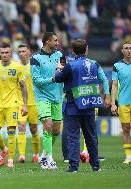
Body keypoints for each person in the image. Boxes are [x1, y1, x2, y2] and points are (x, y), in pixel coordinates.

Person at [53, 39, 110, 172]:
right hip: (89, 105)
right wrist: (106, 95)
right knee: (90, 136)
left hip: (73, 106)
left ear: (73, 51)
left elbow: (58, 79)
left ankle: (74, 167)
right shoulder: (95, 64)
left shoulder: (70, 66)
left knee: (73, 137)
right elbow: (103, 80)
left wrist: (58, 69)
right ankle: (95, 165)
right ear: (87, 49)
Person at [0, 43, 28, 168]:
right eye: (2, 53)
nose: (4, 55)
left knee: (11, 131)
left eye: (7, 52)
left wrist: (24, 105)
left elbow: (23, 86)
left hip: (12, 104)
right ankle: (4, 149)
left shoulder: (17, 66)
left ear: (10, 53)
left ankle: (10, 160)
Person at [30, 32, 63, 169]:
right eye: (55, 40)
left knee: (56, 129)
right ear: (47, 41)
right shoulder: (35, 59)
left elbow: (64, 72)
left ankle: (43, 155)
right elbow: (36, 81)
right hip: (42, 97)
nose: (57, 43)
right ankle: (49, 158)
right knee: (48, 124)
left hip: (57, 96)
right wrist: (52, 79)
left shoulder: (60, 55)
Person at [16, 44, 40, 163]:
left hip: (34, 103)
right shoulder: (15, 67)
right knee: (21, 126)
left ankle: (36, 154)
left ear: (29, 52)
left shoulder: (35, 65)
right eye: (19, 51)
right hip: (20, 103)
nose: (21, 54)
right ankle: (21, 155)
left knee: (34, 128)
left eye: (23, 51)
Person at [111, 41, 131, 164]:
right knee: (126, 129)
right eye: (126, 48)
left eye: (130, 48)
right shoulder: (117, 66)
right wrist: (113, 103)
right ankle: (128, 156)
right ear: (122, 51)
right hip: (123, 102)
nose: (129, 50)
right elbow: (114, 86)